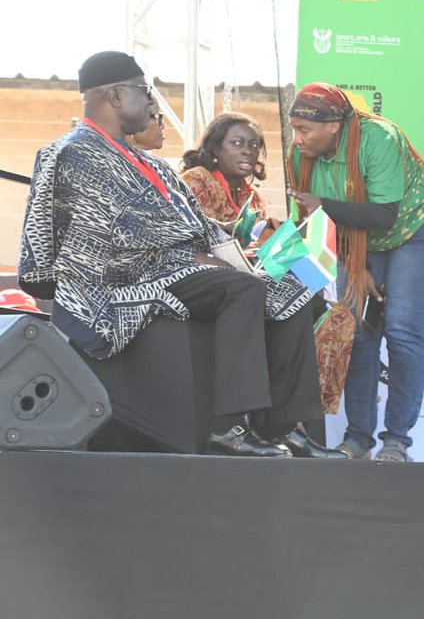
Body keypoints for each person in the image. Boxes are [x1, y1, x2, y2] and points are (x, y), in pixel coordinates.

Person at [19, 51, 341, 458]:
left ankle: (284, 427)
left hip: (178, 266)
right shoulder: (74, 153)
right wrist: (189, 254)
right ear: (115, 96)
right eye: (143, 91)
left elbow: (191, 220)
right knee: (240, 290)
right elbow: (102, 237)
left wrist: (233, 245)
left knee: (296, 288)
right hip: (115, 285)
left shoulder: (143, 160)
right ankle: (227, 427)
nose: (150, 101)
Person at [288, 83, 424, 462]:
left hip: (420, 231)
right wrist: (357, 265)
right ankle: (358, 439)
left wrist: (323, 205)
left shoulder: (378, 137)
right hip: (361, 241)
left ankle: (397, 441)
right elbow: (319, 223)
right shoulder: (302, 156)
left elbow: (384, 215)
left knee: (401, 329)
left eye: (304, 130)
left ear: (333, 126)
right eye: (293, 129)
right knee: (359, 331)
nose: (296, 139)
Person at [180, 112, 358, 415]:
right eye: (237, 143)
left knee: (334, 314)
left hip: (252, 277)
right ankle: (278, 416)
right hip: (208, 281)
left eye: (254, 145)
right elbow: (186, 239)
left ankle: (304, 415)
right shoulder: (196, 180)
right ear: (215, 150)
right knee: (300, 304)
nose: (247, 150)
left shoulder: (254, 198)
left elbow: (261, 250)